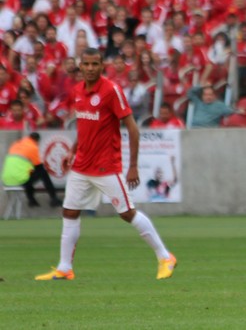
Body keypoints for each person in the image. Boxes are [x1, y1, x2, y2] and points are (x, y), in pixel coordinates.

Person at [35, 48, 176, 281]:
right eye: (86, 64)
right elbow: (85, 126)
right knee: (69, 212)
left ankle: (165, 256)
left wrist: (132, 166)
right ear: (80, 66)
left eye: (95, 64)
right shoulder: (78, 91)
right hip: (82, 165)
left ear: (102, 66)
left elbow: (132, 128)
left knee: (127, 213)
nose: (90, 68)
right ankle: (64, 267)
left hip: (105, 166)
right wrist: (72, 150)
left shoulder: (111, 90)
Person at [1, 132, 61, 208]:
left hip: (6, 179)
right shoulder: (33, 147)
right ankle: (54, 198)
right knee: (43, 172)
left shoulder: (15, 144)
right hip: (19, 179)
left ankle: (32, 200)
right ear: (37, 140)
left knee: (29, 174)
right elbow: (39, 167)